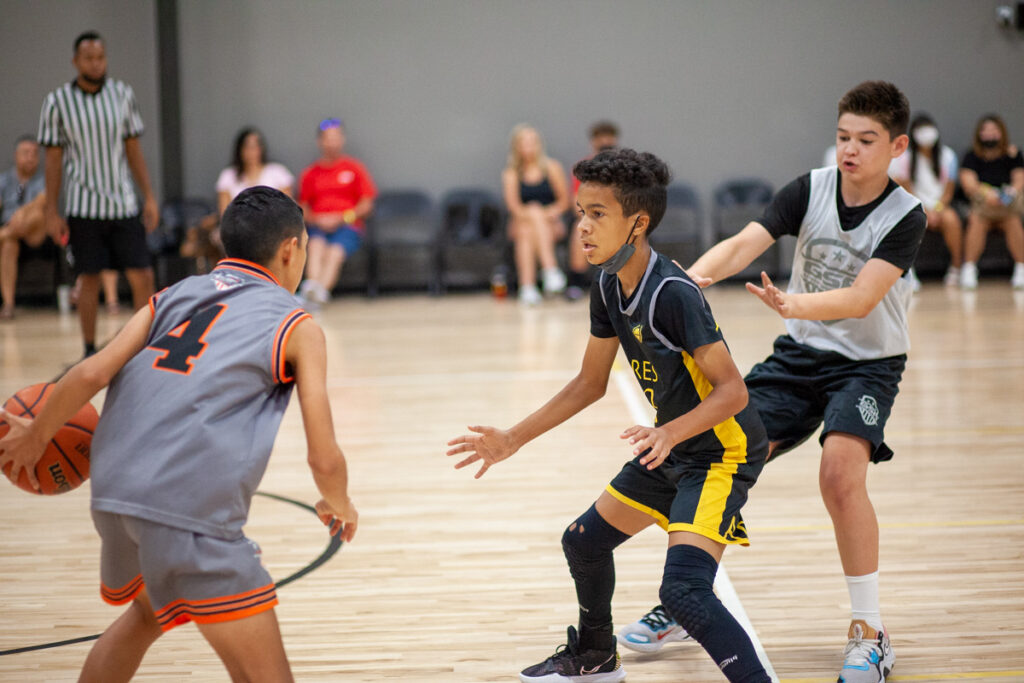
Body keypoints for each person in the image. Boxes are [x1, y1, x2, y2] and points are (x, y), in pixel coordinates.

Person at [620, 81, 924, 683]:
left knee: (839, 475)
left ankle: (870, 632)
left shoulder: (906, 215)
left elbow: (863, 299)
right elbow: (744, 245)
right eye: (843, 137)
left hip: (865, 367)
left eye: (866, 140)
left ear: (897, 147)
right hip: (798, 358)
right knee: (714, 454)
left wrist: (791, 304)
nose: (850, 150)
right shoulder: (810, 188)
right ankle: (689, 594)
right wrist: (691, 280)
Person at [0, 186, 358, 683]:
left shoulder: (171, 295)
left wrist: (40, 433)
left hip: (113, 495)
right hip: (187, 513)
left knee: (146, 616)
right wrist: (339, 502)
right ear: (291, 249)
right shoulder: (296, 324)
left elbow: (89, 375)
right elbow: (324, 459)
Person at [449, 148, 772, 682]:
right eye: (581, 212)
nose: (582, 226)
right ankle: (596, 657)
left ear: (637, 223)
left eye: (597, 214)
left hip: (720, 451)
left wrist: (668, 432)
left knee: (684, 593)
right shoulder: (606, 282)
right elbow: (589, 383)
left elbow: (734, 392)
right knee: (583, 541)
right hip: (672, 445)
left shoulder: (673, 293)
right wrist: (513, 438)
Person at [38, 31, 159, 357]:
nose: (96, 63)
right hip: (82, 204)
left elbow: (134, 150)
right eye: (89, 58)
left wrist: (148, 195)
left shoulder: (122, 94)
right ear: (76, 62)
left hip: (122, 201)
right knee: (88, 279)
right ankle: (89, 349)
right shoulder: (57, 102)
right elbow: (53, 161)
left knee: (142, 274)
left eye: (101, 57)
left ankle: (142, 346)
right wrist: (52, 211)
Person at [298, 117, 377, 306]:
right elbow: (302, 207)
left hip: (348, 227)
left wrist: (342, 218)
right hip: (318, 227)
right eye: (327, 138)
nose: (332, 143)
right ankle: (311, 290)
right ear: (320, 141)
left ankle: (318, 296)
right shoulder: (311, 173)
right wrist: (317, 219)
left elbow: (367, 205)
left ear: (342, 140)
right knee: (315, 246)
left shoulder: (354, 168)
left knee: (334, 252)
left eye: (336, 138)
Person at [501, 124, 570, 305]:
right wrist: (535, 214)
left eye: (532, 142)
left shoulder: (552, 167)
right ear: (516, 147)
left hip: (552, 223)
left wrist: (547, 213)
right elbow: (514, 207)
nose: (529, 147)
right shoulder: (511, 173)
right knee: (530, 216)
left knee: (529, 227)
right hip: (520, 222)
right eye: (524, 143)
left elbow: (564, 201)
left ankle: (527, 288)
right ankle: (550, 270)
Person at [892, 113, 963, 288]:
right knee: (913, 222)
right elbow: (905, 188)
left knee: (951, 220)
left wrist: (937, 209)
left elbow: (948, 190)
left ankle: (956, 268)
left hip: (940, 205)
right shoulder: (904, 158)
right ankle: (909, 271)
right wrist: (923, 209)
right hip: (914, 205)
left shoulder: (947, 156)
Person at [958, 114, 1024, 290]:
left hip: (1007, 208)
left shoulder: (1013, 154)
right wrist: (987, 193)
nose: (989, 134)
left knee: (1013, 221)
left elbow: (1019, 179)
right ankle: (969, 268)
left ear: (1001, 132)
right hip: (983, 207)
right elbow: (968, 183)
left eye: (994, 130)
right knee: (976, 221)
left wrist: (1010, 192)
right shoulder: (971, 156)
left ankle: (1021, 268)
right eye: (985, 130)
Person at [566, 121, 620, 300]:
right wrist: (594, 216)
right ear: (593, 142)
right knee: (579, 230)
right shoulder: (583, 168)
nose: (605, 141)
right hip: (590, 216)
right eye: (600, 137)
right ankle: (576, 282)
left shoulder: (623, 166)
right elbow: (576, 202)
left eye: (609, 136)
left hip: (617, 216)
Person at [0, 136, 48, 319]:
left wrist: (21, 214)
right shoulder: (4, 180)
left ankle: (4, 234)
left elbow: (42, 201)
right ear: (16, 155)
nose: (30, 158)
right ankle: (9, 305)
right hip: (11, 233)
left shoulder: (44, 179)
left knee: (36, 213)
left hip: (36, 233)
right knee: (9, 245)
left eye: (34, 154)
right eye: (26, 153)